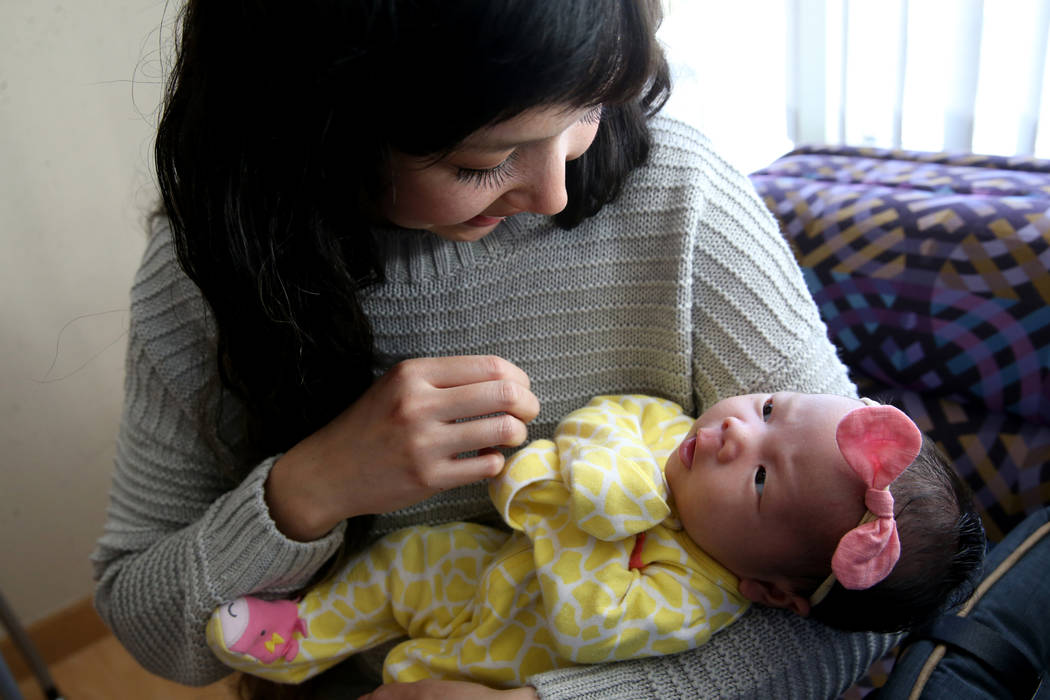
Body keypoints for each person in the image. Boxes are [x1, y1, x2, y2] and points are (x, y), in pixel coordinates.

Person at [91, 1, 920, 698]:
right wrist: (310, 487)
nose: (555, 191)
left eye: (588, 113)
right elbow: (152, 624)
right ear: (320, 124)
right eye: (482, 161)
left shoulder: (681, 194)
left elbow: (862, 614)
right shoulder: (207, 275)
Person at [204, 393, 984, 688]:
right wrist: (616, 485)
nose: (733, 433)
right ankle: (306, 632)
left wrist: (580, 517)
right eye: (772, 407)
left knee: (414, 681)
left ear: (772, 590)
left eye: (758, 480)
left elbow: (590, 619)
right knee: (405, 562)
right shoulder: (668, 433)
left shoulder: (695, 599)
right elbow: (598, 420)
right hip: (475, 565)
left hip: (497, 659)